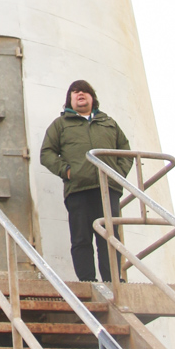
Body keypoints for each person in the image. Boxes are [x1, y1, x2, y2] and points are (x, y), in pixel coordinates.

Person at [39, 80, 133, 283]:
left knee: (109, 237)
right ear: (69, 100)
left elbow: (126, 151)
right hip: (78, 189)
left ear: (92, 98)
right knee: (81, 238)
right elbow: (47, 153)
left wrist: (118, 174)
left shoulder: (109, 123)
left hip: (108, 189)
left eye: (85, 91)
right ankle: (87, 280)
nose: (80, 94)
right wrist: (67, 171)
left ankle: (112, 281)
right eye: (75, 92)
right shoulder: (60, 125)